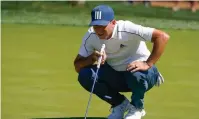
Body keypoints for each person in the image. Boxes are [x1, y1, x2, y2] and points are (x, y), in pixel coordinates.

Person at [74, 5, 169, 119]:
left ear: (113, 22)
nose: (98, 30)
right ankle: (119, 105)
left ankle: (137, 108)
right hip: (117, 75)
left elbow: (162, 37)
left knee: (136, 74)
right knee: (85, 75)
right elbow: (78, 67)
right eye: (95, 26)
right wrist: (92, 58)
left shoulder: (127, 28)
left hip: (142, 75)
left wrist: (148, 63)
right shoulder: (91, 36)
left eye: (102, 25)